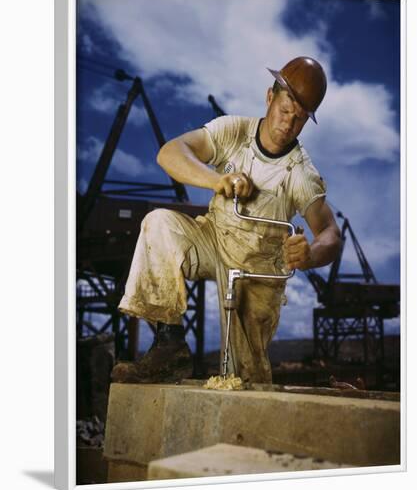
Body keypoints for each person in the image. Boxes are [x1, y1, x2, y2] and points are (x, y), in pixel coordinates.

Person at [111, 56, 341, 385]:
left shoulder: (301, 174)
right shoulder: (233, 131)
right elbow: (170, 153)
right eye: (285, 110)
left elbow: (331, 232)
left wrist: (312, 255)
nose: (288, 124)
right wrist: (215, 180)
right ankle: (169, 347)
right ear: (270, 97)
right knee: (159, 224)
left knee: (244, 378)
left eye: (300, 119)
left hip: (257, 271)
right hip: (213, 240)